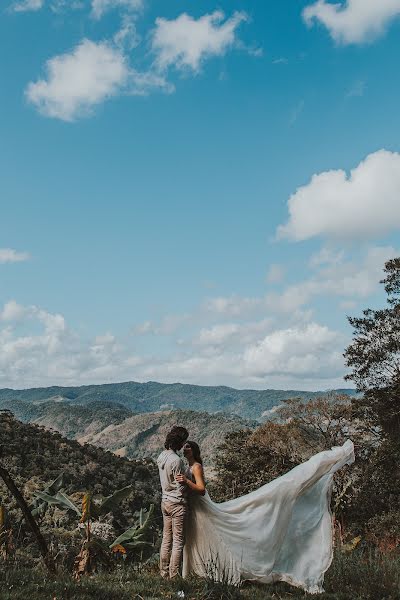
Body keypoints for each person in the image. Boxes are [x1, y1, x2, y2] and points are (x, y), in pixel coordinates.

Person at [177, 438, 355, 594]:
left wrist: (185, 481)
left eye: (187, 447)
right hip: (194, 507)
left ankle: (218, 570)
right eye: (184, 447)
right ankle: (197, 571)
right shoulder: (187, 466)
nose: (184, 449)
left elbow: (201, 489)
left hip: (201, 506)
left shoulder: (196, 467)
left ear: (193, 450)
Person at [156, 425, 189, 579]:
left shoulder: (162, 456)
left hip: (165, 501)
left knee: (166, 539)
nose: (184, 444)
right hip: (176, 503)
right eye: (184, 441)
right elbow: (181, 488)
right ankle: (174, 576)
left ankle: (164, 573)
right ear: (179, 442)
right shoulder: (177, 461)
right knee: (177, 541)